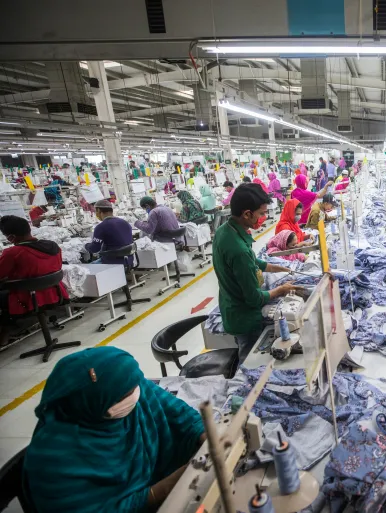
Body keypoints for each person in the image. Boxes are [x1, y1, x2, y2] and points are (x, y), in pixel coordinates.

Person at [22, 346, 206, 512]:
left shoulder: (129, 386)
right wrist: (159, 491)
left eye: (135, 386)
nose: (136, 394)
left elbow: (179, 413)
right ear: (92, 405)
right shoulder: (54, 461)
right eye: (125, 395)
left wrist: (204, 434)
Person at [213, 184, 302, 362]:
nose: (264, 218)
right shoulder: (238, 250)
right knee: (249, 362)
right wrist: (281, 290)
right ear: (247, 214)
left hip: (231, 306)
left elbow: (254, 262)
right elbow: (254, 298)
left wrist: (280, 268)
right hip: (244, 317)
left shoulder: (225, 231)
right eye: (261, 213)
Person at [0, 215, 68, 346]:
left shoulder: (13, 253)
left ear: (11, 238)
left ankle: (5, 333)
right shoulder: (52, 246)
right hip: (54, 293)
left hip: (27, 298)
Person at [85, 200, 134, 264]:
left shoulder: (101, 227)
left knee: (85, 268)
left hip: (112, 262)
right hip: (128, 261)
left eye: (95, 211)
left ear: (99, 210)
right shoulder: (125, 223)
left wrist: (86, 245)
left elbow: (94, 249)